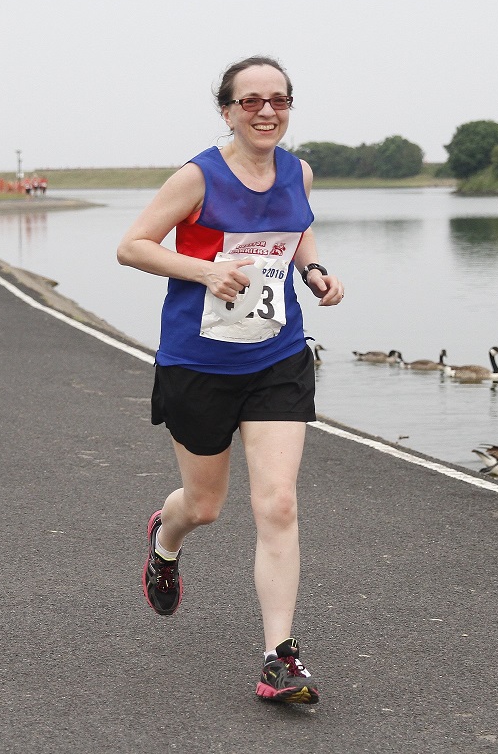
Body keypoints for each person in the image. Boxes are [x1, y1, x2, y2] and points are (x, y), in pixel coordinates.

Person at [115, 56, 344, 704]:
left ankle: (279, 656)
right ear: (227, 110)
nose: (266, 111)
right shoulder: (198, 177)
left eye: (278, 99)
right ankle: (165, 537)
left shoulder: (298, 170)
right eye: (251, 102)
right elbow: (133, 245)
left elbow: (296, 231)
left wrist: (316, 270)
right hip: (199, 364)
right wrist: (204, 270)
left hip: (277, 358)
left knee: (277, 502)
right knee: (206, 506)